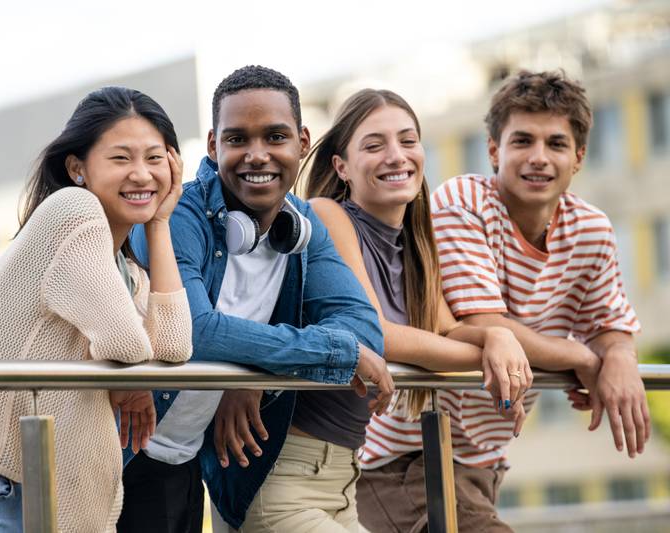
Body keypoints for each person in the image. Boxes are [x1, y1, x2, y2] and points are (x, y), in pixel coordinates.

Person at [0, 86, 193, 533]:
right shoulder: (72, 212)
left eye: (155, 159)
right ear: (77, 168)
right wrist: (131, 381)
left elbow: (173, 347)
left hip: (34, 496)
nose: (141, 174)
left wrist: (160, 223)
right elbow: (128, 345)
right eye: (120, 159)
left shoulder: (128, 272)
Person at [118, 65, 394, 533]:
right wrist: (323, 353)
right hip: (119, 455)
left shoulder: (302, 224)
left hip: (183, 463)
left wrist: (256, 374)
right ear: (213, 146)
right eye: (238, 139)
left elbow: (363, 326)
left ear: (303, 142)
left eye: (275, 136)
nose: (257, 155)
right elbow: (192, 330)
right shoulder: (176, 214)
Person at [302, 87, 532, 533]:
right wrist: (495, 358)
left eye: (408, 141)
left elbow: (444, 332)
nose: (396, 156)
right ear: (341, 166)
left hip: (349, 463)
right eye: (374, 145)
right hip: (316, 464)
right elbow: (376, 334)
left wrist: (498, 337)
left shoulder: (416, 244)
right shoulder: (326, 214)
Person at [428, 70, 648, 532]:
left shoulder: (592, 229)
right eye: (522, 141)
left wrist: (621, 355)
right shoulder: (462, 200)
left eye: (556, 144)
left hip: (485, 457)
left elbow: (610, 323)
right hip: (412, 448)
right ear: (494, 150)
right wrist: (578, 355)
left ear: (579, 157)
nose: (539, 158)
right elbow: (485, 322)